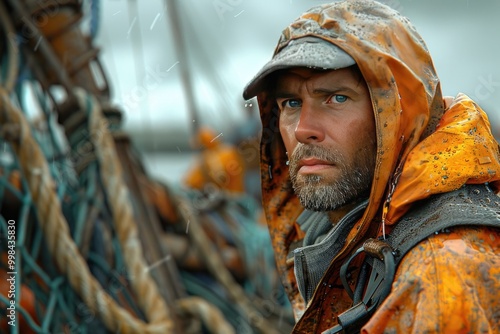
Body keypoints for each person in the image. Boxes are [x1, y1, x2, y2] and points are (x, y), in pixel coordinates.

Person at [242, 1, 500, 333]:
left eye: (336, 98)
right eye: (292, 103)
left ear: (396, 115)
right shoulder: (342, 237)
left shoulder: (440, 277)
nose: (303, 128)